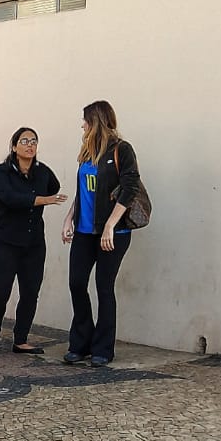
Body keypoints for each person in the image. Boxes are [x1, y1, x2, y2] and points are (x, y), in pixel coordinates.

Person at [61, 100, 142, 368]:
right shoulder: (87, 152)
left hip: (113, 232)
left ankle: (103, 348)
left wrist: (109, 225)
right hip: (85, 231)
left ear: (94, 121)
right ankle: (81, 342)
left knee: (104, 287)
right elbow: (84, 190)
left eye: (84, 120)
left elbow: (129, 189)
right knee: (76, 283)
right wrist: (70, 217)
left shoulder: (122, 150)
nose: (81, 125)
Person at [0, 128, 66, 354]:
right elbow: (11, 198)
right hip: (4, 242)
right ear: (14, 146)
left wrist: (45, 197)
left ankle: (21, 339)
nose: (30, 145)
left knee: (30, 291)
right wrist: (42, 200)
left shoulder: (42, 172)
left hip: (33, 243)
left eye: (34, 141)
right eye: (24, 141)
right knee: (0, 291)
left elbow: (54, 186)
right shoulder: (2, 172)